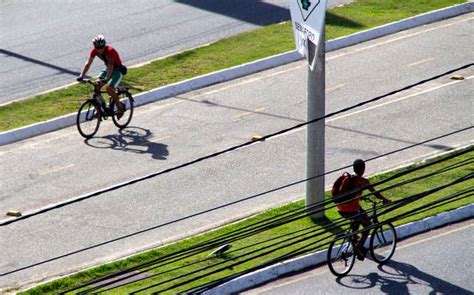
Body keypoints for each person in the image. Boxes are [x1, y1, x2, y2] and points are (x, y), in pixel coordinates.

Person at [337, 159, 391, 260]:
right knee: (368, 225)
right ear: (363, 169)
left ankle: (354, 242)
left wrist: (360, 197)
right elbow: (375, 193)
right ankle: (358, 247)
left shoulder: (347, 178)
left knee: (358, 220)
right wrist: (385, 200)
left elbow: (351, 193)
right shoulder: (362, 181)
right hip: (351, 209)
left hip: (340, 208)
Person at [77, 35, 126, 119]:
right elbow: (88, 63)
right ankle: (99, 109)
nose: (100, 49)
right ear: (95, 47)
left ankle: (120, 106)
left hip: (117, 70)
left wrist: (106, 79)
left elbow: (111, 65)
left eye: (102, 47)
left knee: (109, 88)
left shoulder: (110, 51)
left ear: (104, 45)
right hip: (108, 69)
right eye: (98, 47)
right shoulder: (94, 51)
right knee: (96, 85)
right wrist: (81, 75)